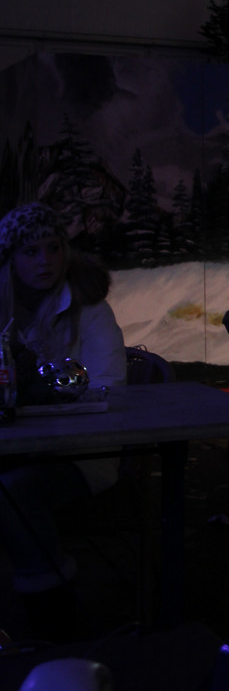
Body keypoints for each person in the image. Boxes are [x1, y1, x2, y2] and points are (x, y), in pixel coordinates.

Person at [0, 202, 126, 639]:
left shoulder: (89, 307)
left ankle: (54, 624)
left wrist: (45, 393)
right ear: (11, 259)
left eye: (54, 247)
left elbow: (110, 385)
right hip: (14, 446)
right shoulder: (2, 309)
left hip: (81, 453)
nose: (46, 261)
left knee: (12, 493)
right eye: (31, 251)